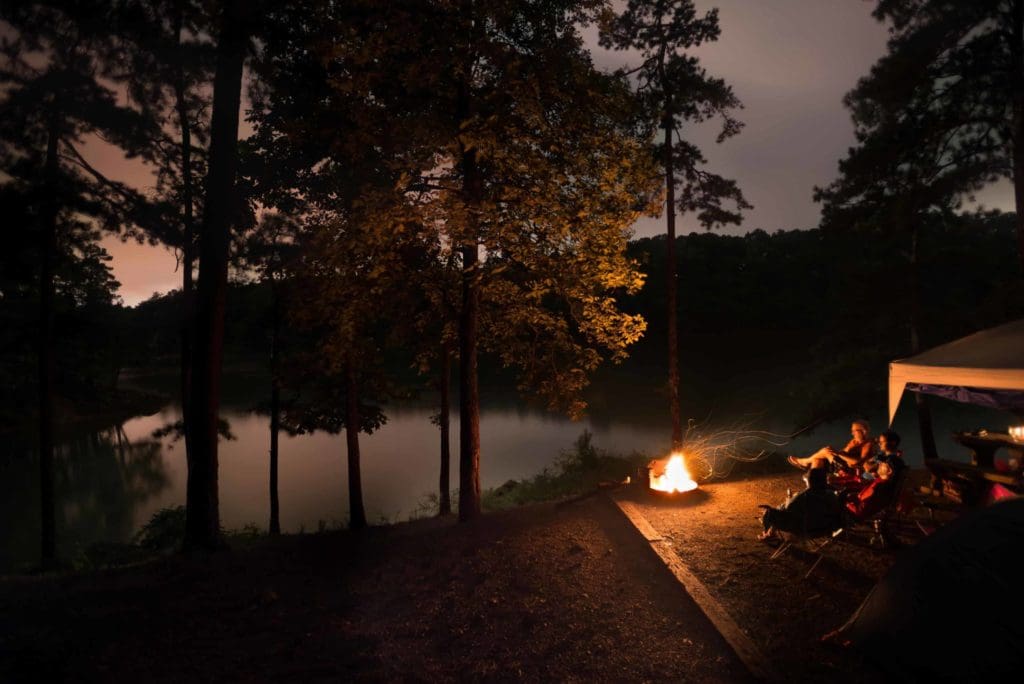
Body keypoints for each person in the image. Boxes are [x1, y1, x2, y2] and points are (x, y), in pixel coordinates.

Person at [759, 466, 844, 541]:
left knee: (771, 512)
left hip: (803, 530)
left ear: (809, 481)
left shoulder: (803, 496)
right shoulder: (831, 495)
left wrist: (789, 499)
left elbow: (789, 510)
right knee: (782, 509)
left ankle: (769, 534)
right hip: (823, 530)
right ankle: (770, 531)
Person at [787, 419, 876, 473]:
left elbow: (858, 462)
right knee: (817, 461)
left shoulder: (867, 444)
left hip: (847, 468)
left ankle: (804, 462)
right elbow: (845, 452)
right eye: (852, 430)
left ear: (864, 431)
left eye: (854, 431)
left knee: (826, 450)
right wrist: (838, 453)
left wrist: (838, 453)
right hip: (841, 462)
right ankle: (814, 488)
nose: (852, 433)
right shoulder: (855, 441)